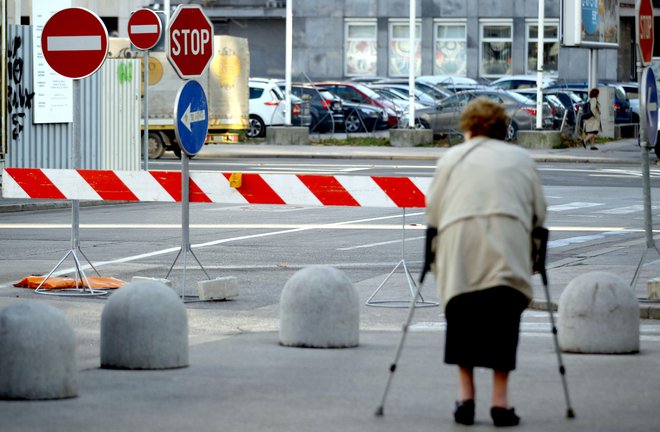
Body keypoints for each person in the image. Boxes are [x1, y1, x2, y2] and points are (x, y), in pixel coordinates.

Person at [424, 97, 547, 427]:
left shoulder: (451, 158)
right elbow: (538, 213)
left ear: (468, 127)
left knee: (462, 315)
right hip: (507, 248)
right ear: (500, 126)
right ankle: (500, 403)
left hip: (459, 248)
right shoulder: (521, 159)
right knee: (503, 320)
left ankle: (466, 399)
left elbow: (433, 212)